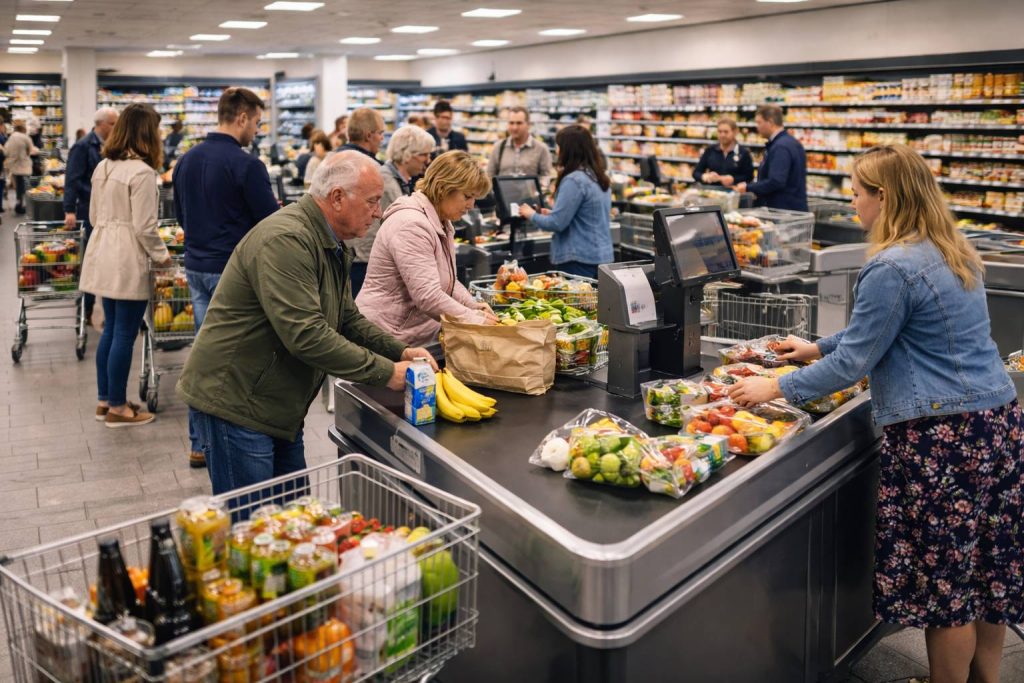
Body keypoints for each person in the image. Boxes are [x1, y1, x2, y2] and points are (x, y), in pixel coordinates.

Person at [728, 144, 1021, 683]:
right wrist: (816, 347)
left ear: (883, 197)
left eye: (858, 194)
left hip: (941, 437)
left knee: (946, 586)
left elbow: (856, 362)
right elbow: (885, 327)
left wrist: (775, 383)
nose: (854, 205)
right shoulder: (951, 247)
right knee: (986, 570)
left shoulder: (890, 264)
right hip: (996, 423)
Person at [177, 151, 438, 496]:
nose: (378, 212)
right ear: (338, 198)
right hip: (237, 403)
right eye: (373, 201)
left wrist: (400, 349)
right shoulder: (287, 241)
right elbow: (307, 336)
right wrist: (387, 372)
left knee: (292, 518)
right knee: (256, 526)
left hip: (277, 405)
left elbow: (345, 318)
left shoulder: (331, 243)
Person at [173, 86, 280, 469]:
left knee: (204, 355)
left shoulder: (186, 160)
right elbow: (272, 224)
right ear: (241, 117)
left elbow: (181, 217)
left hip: (197, 268)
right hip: (233, 274)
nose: (256, 129)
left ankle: (199, 442)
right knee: (235, 361)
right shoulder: (246, 164)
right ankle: (233, 439)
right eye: (256, 121)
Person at [79, 104, 171, 428]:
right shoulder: (142, 172)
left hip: (102, 251)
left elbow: (92, 217)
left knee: (110, 330)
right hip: (127, 256)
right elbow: (146, 226)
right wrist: (163, 257)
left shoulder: (104, 166)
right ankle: (119, 408)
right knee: (125, 333)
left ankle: (106, 400)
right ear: (147, 133)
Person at [357, 150, 497, 346]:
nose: (471, 205)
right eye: (467, 196)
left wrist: (473, 306)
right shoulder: (411, 224)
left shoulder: (441, 221)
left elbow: (448, 281)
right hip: (385, 336)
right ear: (443, 188)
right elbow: (428, 296)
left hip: (411, 335)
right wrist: (475, 320)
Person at [518, 125, 612, 279]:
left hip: (578, 259)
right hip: (601, 257)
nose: (557, 151)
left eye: (559, 146)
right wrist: (553, 213)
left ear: (569, 149)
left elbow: (556, 223)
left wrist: (530, 214)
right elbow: (583, 215)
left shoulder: (574, 180)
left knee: (576, 303)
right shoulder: (597, 176)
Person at [64, 107, 119, 326]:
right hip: (88, 211)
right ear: (101, 124)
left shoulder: (109, 146)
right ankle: (85, 312)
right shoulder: (83, 146)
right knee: (91, 263)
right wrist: (69, 210)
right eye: (113, 124)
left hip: (107, 212)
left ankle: (105, 311)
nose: (116, 128)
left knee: (105, 263)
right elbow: (72, 179)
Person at [735, 104, 807, 211]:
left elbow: (776, 181)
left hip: (783, 210)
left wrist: (748, 187)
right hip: (791, 207)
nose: (757, 126)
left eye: (759, 122)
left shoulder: (780, 147)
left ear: (770, 122)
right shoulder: (790, 142)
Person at [487, 106, 554, 188]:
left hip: (530, 199)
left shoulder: (541, 149)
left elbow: (546, 176)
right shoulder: (499, 147)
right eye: (511, 123)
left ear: (528, 124)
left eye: (519, 123)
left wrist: (539, 186)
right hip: (502, 198)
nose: (514, 127)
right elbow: (490, 175)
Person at [380, 124, 435, 210]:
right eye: (424, 154)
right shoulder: (387, 184)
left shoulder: (399, 180)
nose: (428, 160)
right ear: (407, 154)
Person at [692, 117, 755, 188]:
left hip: (734, 193)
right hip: (712, 192)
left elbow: (749, 177)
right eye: (719, 131)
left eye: (726, 132)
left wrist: (733, 179)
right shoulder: (710, 150)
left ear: (735, 132)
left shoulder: (743, 153)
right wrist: (705, 176)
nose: (722, 135)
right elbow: (696, 173)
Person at [4, 120, 38, 215]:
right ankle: (22, 206)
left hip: (14, 167)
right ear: (23, 128)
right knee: (25, 188)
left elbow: (6, 152)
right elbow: (32, 150)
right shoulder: (25, 138)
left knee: (19, 188)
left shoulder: (11, 138)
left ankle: (19, 204)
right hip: (24, 167)